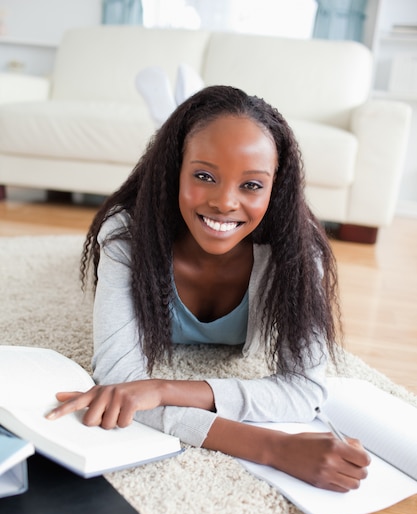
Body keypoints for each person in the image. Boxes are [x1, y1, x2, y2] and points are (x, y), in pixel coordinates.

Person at [47, 85, 370, 491]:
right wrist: (273, 448)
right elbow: (118, 386)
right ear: (175, 172)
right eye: (204, 176)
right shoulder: (127, 236)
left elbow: (305, 389)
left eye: (251, 185)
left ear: (277, 187)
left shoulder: (298, 257)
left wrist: (163, 387)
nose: (224, 202)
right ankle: (172, 109)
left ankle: (177, 104)